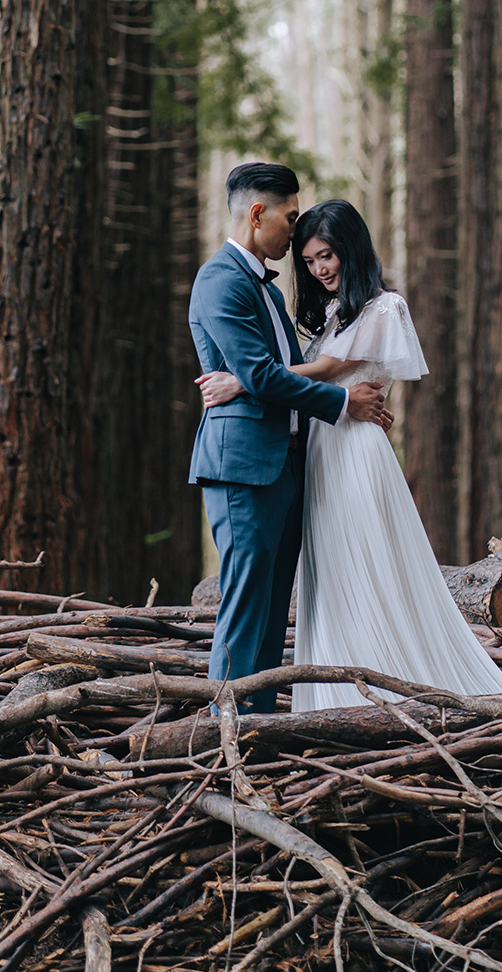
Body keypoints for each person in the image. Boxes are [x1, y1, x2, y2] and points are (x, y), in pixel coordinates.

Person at [197, 198, 502, 710]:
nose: (319, 269)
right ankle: (331, 691)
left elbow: (324, 370)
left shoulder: (382, 305)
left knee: (364, 559)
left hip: (352, 448)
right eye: (309, 261)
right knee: (328, 569)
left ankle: (379, 684)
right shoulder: (332, 311)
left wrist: (243, 381)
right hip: (322, 445)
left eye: (327, 256)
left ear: (351, 249)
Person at [187, 163, 394, 713]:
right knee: (246, 598)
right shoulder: (220, 280)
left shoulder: (267, 291)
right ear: (258, 214)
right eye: (290, 216)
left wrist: (249, 377)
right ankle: (223, 726)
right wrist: (344, 401)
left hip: (284, 464)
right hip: (244, 466)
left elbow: (269, 372)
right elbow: (261, 374)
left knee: (273, 604)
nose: (295, 229)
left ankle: (257, 722)